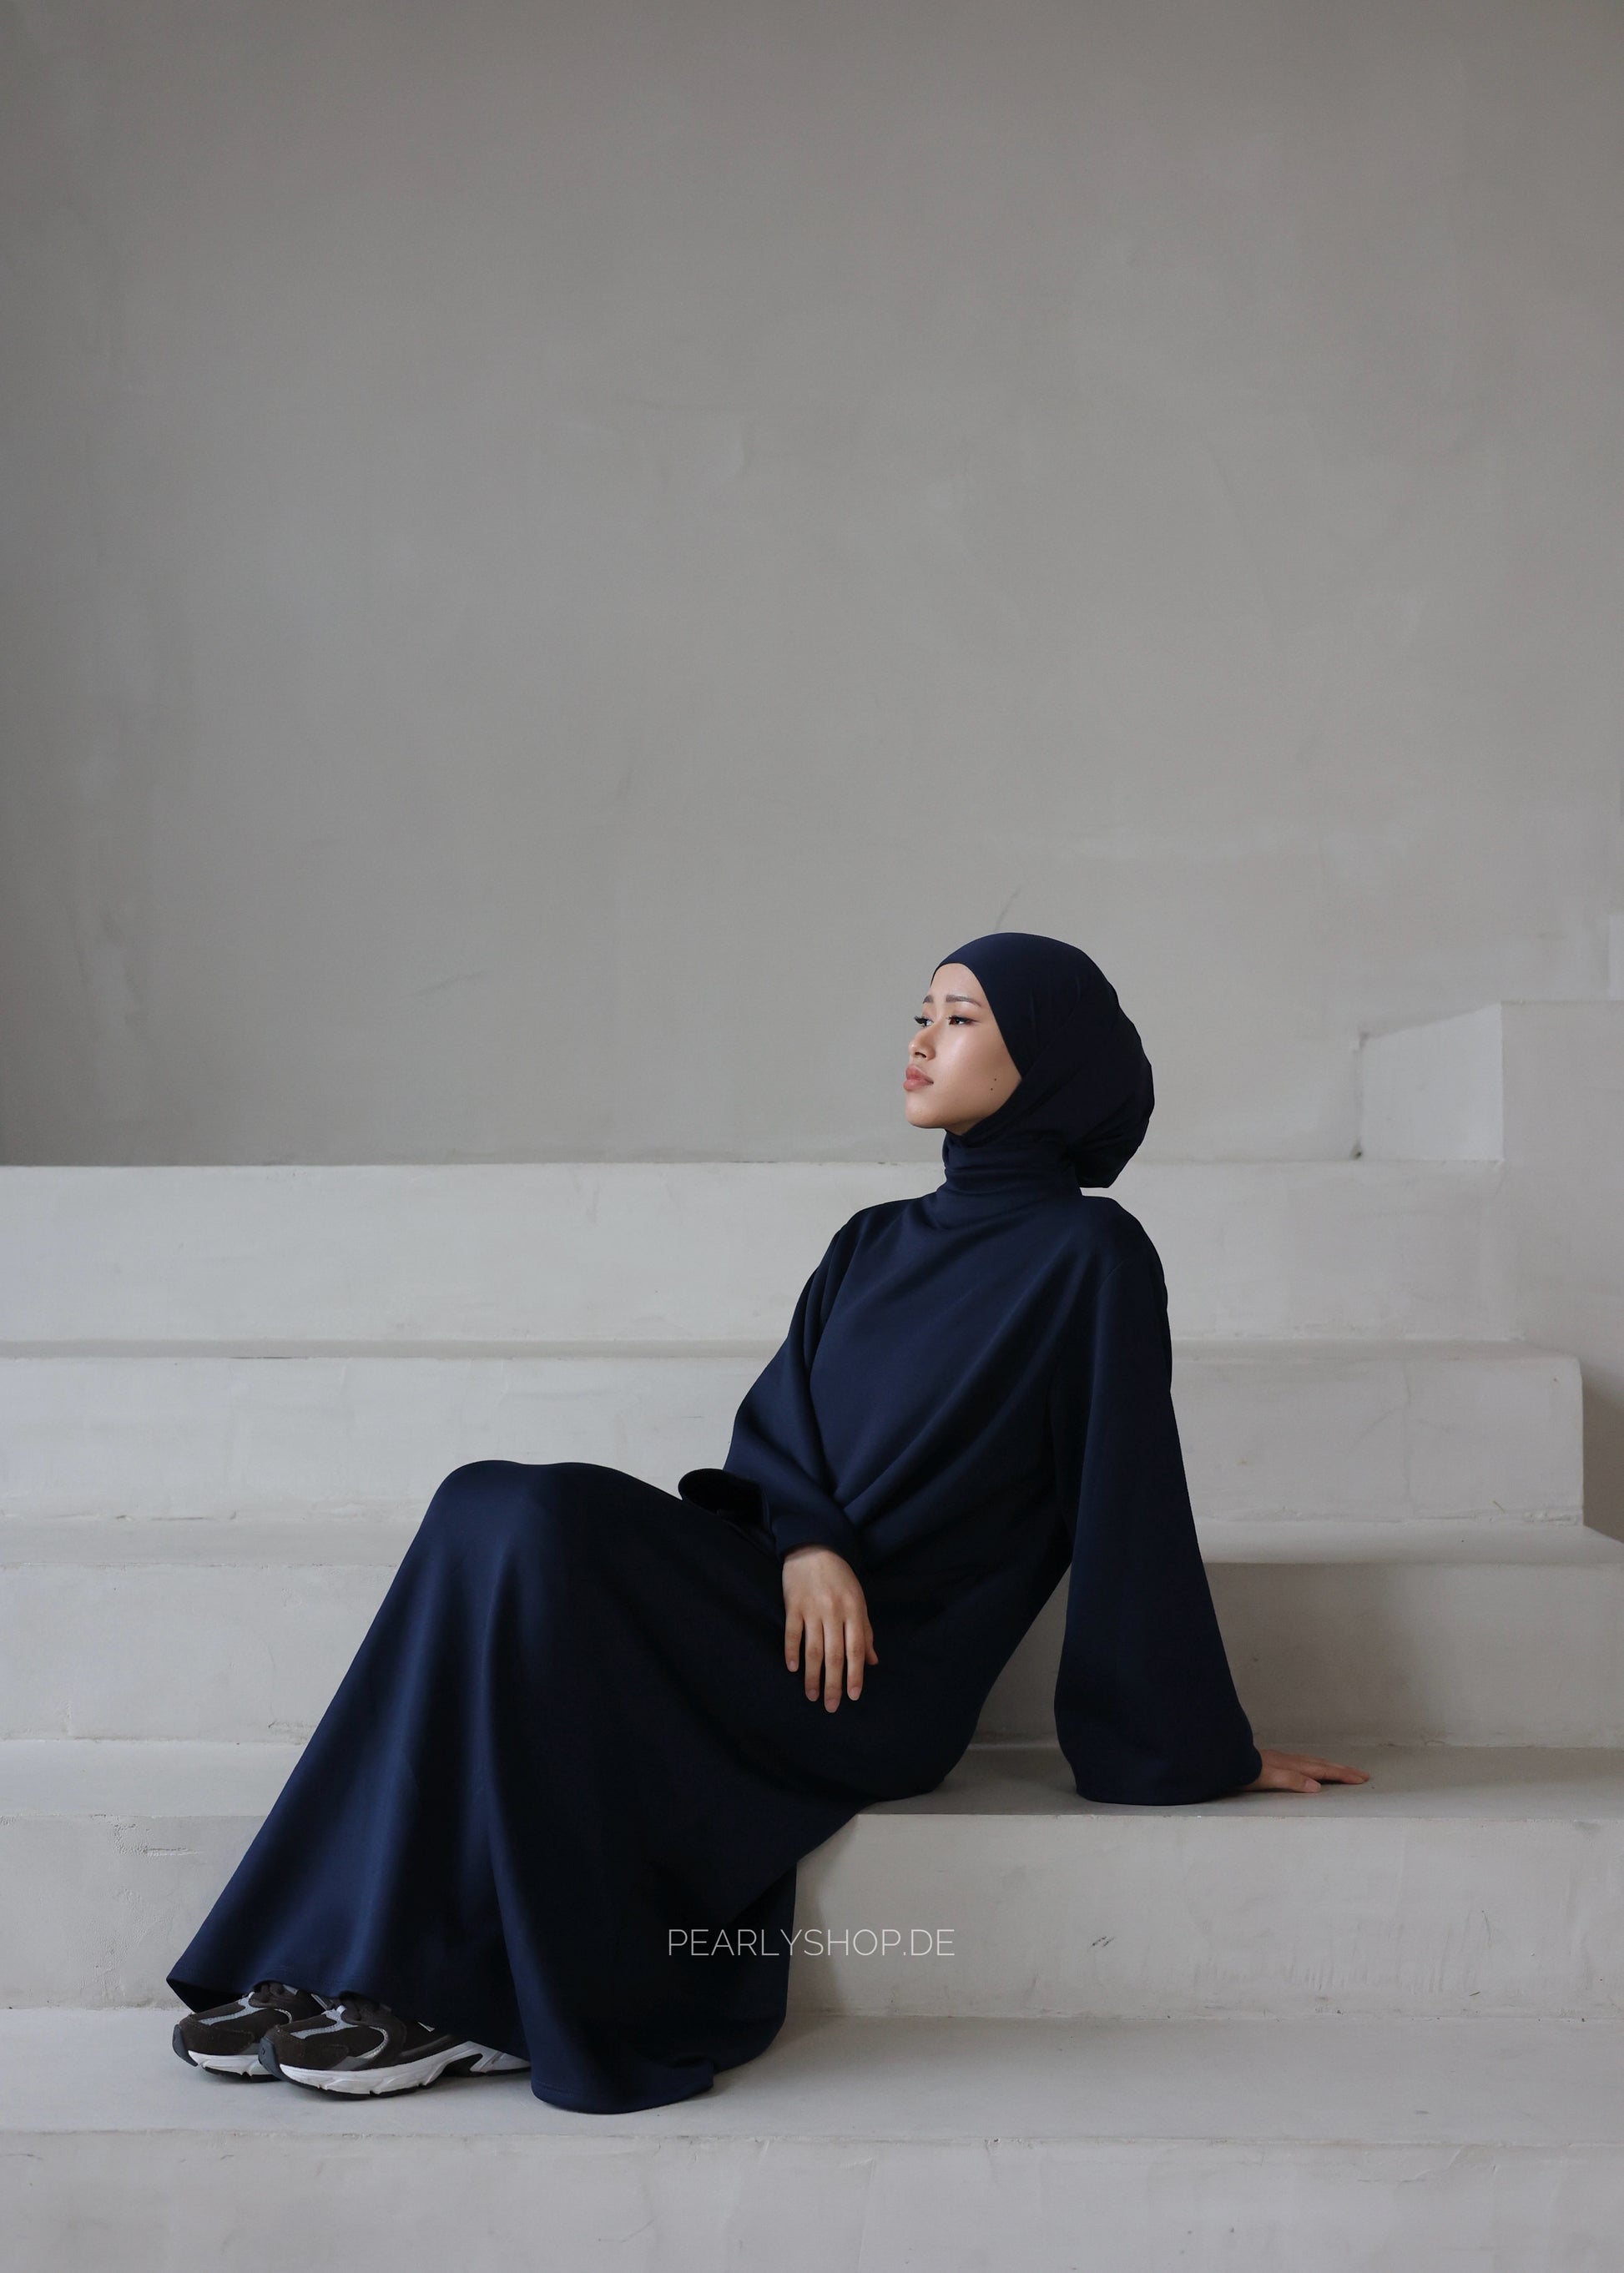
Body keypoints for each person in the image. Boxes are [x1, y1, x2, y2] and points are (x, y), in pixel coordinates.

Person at [168, 930, 1366, 2109]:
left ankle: (453, 1999)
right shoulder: (870, 1241)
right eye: (922, 1014)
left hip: (869, 1673)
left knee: (538, 1515)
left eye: (960, 1019)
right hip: (782, 1594)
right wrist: (810, 1541)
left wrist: (1191, 1747)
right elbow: (776, 1436)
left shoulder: (1092, 1256)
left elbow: (1129, 1498)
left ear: (1047, 1060)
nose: (922, 1040)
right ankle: (327, 1958)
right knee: (483, 1501)